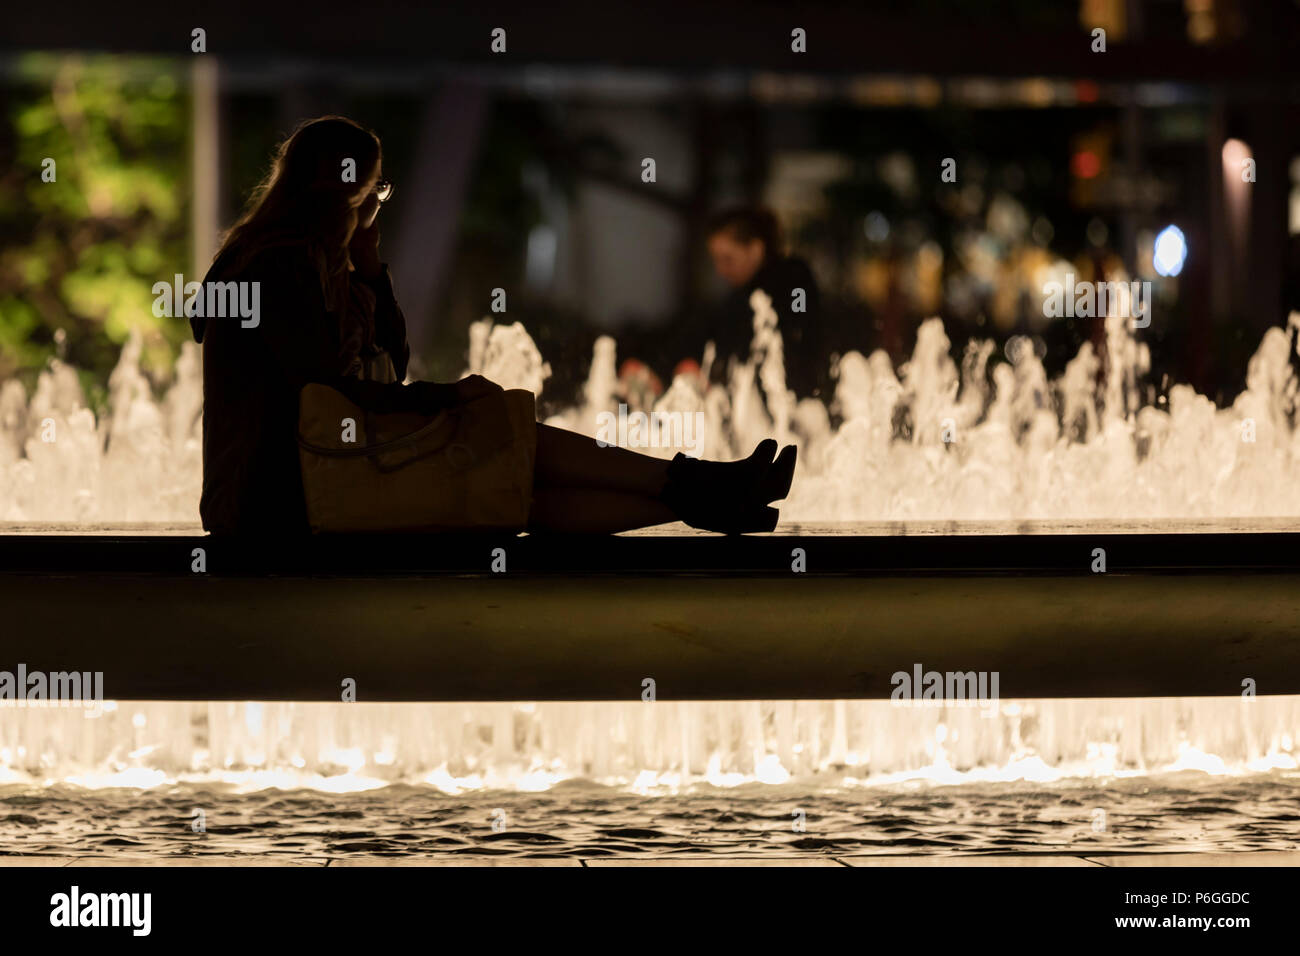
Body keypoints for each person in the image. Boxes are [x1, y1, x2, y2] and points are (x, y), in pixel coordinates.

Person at [190, 116, 796, 537]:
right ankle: (707, 488)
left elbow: (390, 366)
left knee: (512, 482)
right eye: (374, 196)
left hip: (324, 475)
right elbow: (325, 387)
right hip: (276, 499)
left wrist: (371, 271)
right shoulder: (276, 264)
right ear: (345, 197)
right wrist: (447, 396)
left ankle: (708, 497)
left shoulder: (319, 264)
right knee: (502, 435)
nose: (377, 210)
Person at [693, 206, 823, 399]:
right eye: (716, 261)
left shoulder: (794, 279)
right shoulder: (740, 294)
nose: (720, 270)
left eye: (727, 259)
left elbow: (802, 337)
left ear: (755, 250)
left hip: (793, 398)